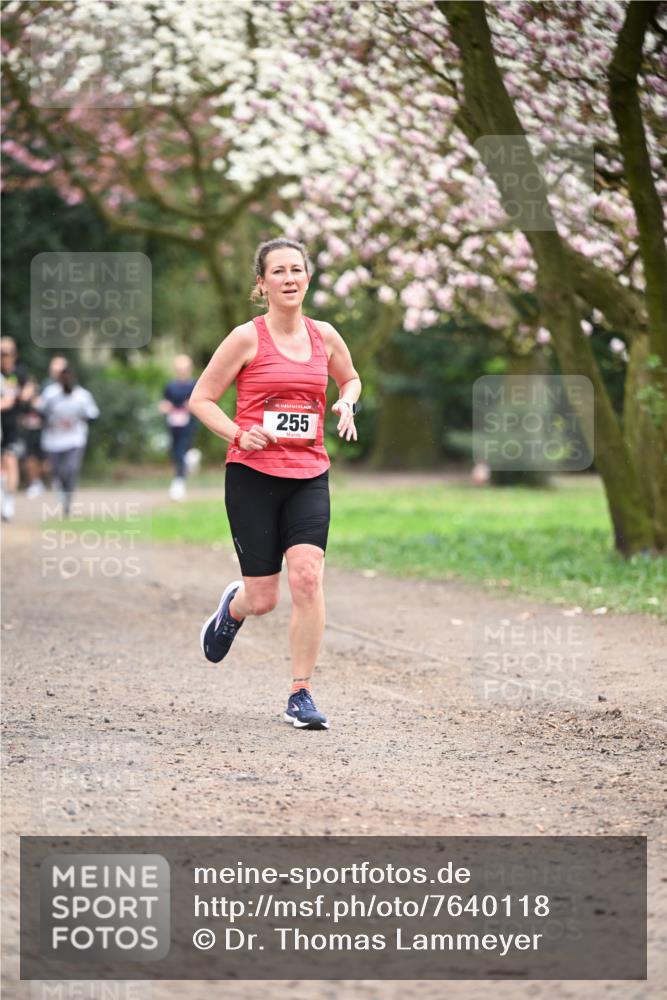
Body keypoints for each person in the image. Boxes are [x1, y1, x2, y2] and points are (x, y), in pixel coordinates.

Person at [188, 238, 361, 731]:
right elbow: (202, 399)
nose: (290, 278)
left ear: (308, 278)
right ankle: (234, 608)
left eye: (297, 270)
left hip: (309, 473)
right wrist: (240, 433)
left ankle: (300, 693)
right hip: (253, 475)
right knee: (264, 598)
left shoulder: (325, 335)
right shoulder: (245, 338)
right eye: (278, 271)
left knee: (308, 576)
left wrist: (347, 402)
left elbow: (350, 379)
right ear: (261, 284)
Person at [38, 365, 99, 516]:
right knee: (58, 471)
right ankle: (60, 489)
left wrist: (79, 419)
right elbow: (41, 412)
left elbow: (93, 414)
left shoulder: (82, 395)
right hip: (54, 440)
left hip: (75, 439)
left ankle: (67, 501)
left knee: (71, 470)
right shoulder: (51, 393)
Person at [159, 354, 199, 501]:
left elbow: (199, 403)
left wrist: (190, 406)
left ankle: (179, 482)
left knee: (181, 450)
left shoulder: (195, 385)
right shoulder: (170, 385)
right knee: (175, 452)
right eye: (179, 368)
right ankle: (187, 464)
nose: (182, 370)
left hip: (188, 424)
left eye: (185, 368)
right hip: (173, 424)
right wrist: (166, 407)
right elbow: (164, 402)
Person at [1, 337, 31, 521]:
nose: (4, 357)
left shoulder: (20, 373)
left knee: (10, 460)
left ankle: (8, 503)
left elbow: (27, 392)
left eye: (7, 353)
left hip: (11, 426)